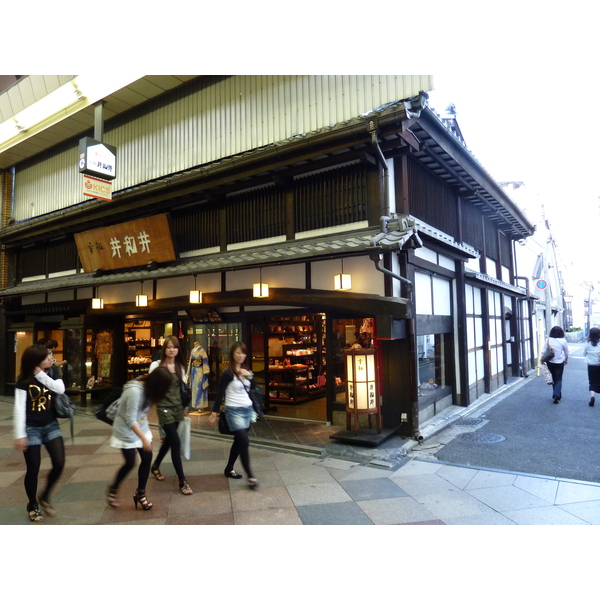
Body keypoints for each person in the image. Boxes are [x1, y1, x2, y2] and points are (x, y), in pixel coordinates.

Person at [13, 345, 66, 522]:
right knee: (33, 468)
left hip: (51, 424)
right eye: (46, 357)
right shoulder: (23, 380)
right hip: (31, 427)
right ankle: (32, 504)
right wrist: (20, 434)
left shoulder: (53, 372)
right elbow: (19, 408)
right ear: (35, 361)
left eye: (49, 355)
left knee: (59, 462)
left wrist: (41, 375)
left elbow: (60, 389)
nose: (50, 358)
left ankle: (45, 496)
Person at [107, 366, 173, 510]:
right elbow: (130, 419)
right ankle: (113, 489)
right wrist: (144, 439)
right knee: (130, 462)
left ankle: (140, 494)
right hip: (125, 429)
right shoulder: (135, 392)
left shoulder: (149, 389)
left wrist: (146, 435)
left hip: (140, 426)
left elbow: (142, 413)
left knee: (147, 458)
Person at [207, 341, 258, 489]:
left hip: (247, 410)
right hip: (233, 411)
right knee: (244, 441)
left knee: (239, 442)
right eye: (238, 353)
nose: (241, 356)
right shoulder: (227, 373)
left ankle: (229, 468)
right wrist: (213, 413)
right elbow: (219, 394)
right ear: (232, 354)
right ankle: (251, 476)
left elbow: (253, 387)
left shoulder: (246, 369)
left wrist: (249, 375)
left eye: (243, 353)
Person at [148, 335, 193, 495]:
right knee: (175, 442)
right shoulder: (156, 366)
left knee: (169, 440)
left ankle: (155, 465)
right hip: (164, 408)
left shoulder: (180, 366)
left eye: (174, 347)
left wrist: (185, 406)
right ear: (164, 349)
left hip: (177, 408)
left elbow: (183, 389)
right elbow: (150, 388)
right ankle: (182, 481)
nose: (172, 350)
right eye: (168, 347)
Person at [544, 326, 569, 404]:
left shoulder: (548, 340)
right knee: (558, 379)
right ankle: (557, 394)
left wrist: (542, 360)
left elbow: (543, 350)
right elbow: (567, 352)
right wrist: (566, 359)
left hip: (550, 362)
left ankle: (557, 394)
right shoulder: (563, 341)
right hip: (559, 362)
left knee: (553, 378)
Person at [187, 341, 209, 412]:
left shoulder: (202, 350)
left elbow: (205, 361)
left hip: (200, 371)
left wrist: (205, 371)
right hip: (194, 370)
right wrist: (189, 371)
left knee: (200, 386)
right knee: (195, 388)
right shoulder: (193, 350)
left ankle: (201, 405)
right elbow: (190, 361)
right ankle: (195, 404)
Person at [583, 327, 600, 407]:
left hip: (591, 365)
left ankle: (592, 397)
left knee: (592, 381)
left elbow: (584, 354)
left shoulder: (587, 344)